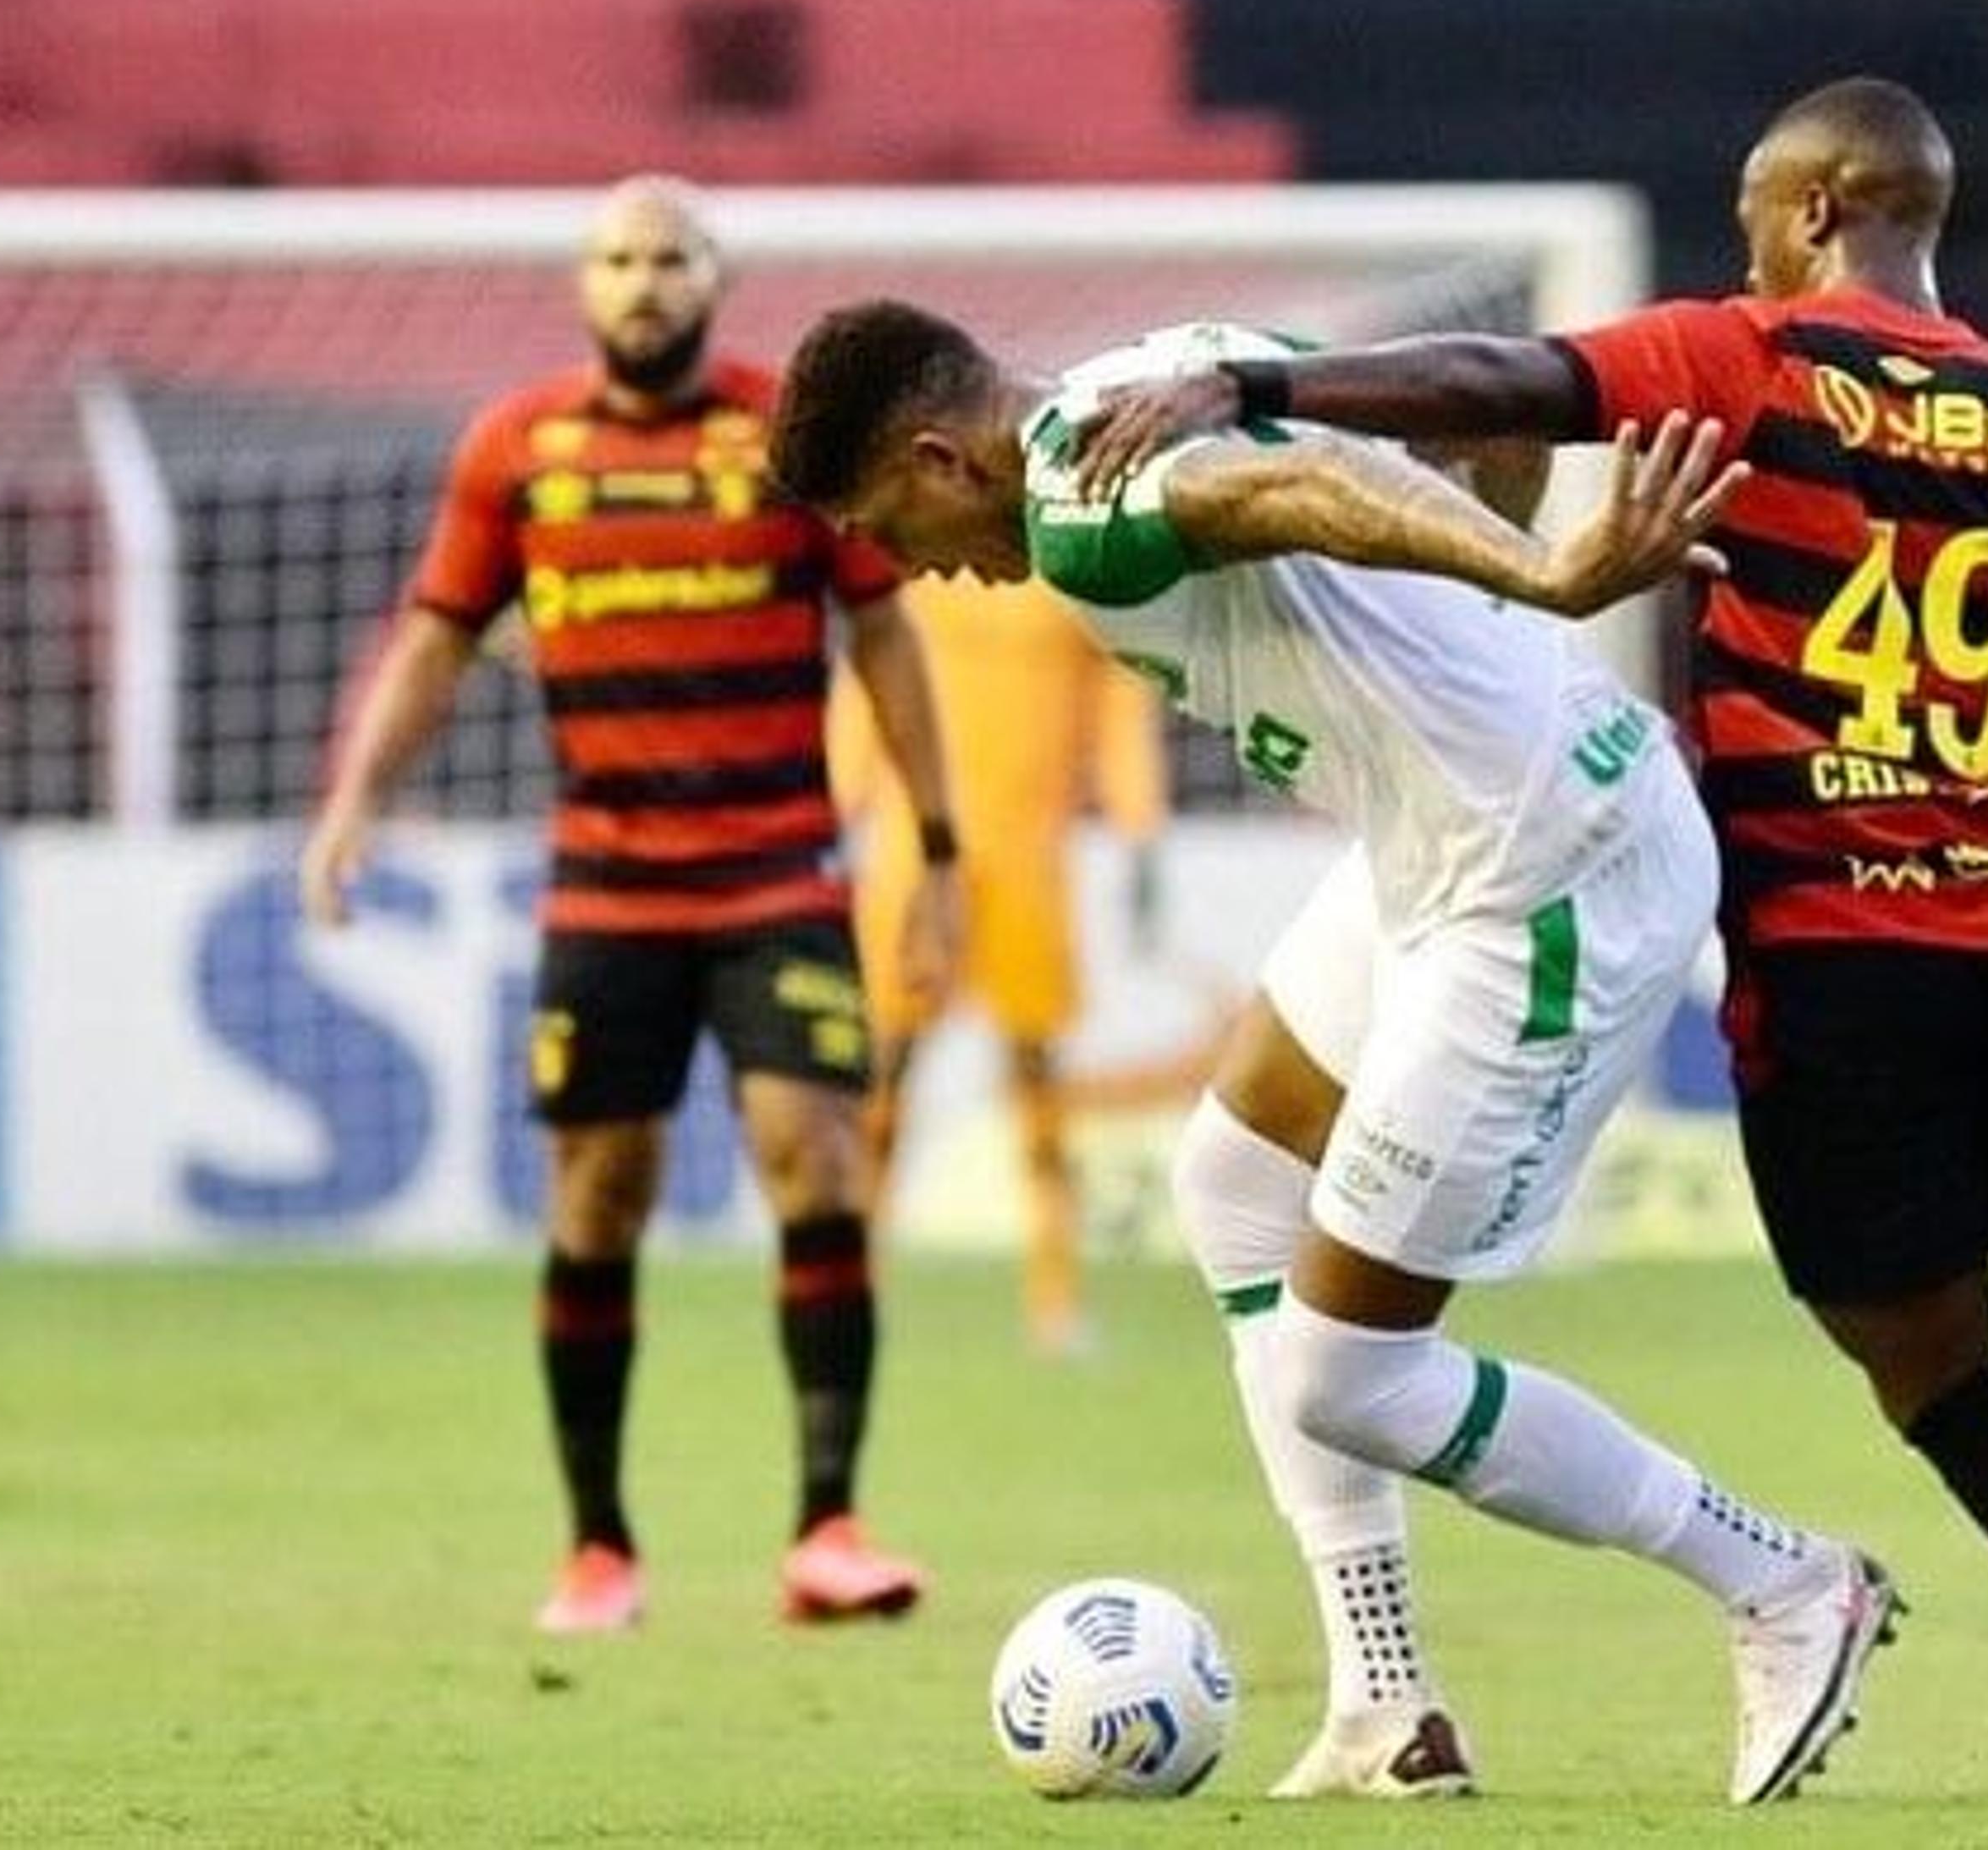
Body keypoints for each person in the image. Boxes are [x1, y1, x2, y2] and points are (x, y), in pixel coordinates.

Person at [1070, 76, 1988, 1803]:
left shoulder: (1754, 357)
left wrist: (1256, 387)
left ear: (1815, 209)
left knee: (1952, 1397)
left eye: (1752, 222)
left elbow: (1517, 383)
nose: (1746, 251)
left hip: (1838, 952)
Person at [766, 307, 1897, 1805]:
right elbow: (1472, 398)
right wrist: (1494, 606)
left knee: (1345, 1379)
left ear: (933, 454)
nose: (910, 566)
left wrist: (1537, 573)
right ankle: (1382, 1703)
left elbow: (1283, 495)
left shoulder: (1080, 503)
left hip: (1545, 882)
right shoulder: (1166, 361)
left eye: (885, 525)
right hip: (1443, 851)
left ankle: (1784, 1581)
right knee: (1234, 1181)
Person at [299, 176, 964, 1637]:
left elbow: (887, 640)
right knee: (600, 1195)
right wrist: (352, 804)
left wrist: (937, 843)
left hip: (782, 868)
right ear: (583, 285)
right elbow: (435, 642)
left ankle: (828, 1528)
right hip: (608, 886)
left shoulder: (781, 440)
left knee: (821, 1164)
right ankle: (597, 1547)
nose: (645, 280)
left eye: (670, 256)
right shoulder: (517, 449)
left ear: (714, 275)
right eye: (619, 258)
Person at [829, 575, 1170, 1356]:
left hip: (1027, 862)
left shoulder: (1072, 577)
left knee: (1038, 1086)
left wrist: (1140, 824)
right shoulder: (914, 561)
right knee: (883, 1076)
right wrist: (834, 801)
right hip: (915, 856)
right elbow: (868, 673)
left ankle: (1055, 1299)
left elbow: (1120, 705)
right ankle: (852, 1285)